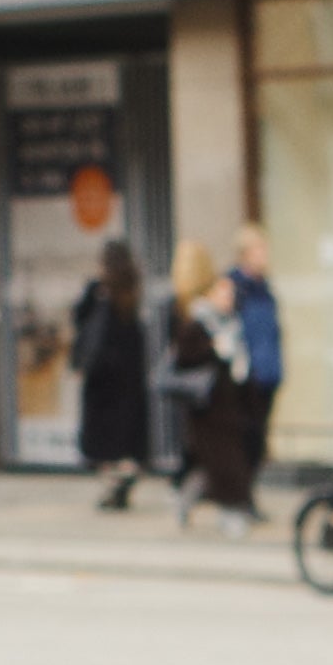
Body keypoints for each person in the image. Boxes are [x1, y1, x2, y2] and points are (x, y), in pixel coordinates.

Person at [162, 250, 258, 531]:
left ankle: (193, 500)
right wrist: (212, 350)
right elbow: (185, 358)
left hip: (229, 408)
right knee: (223, 465)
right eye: (224, 292)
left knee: (213, 467)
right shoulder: (197, 323)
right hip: (208, 409)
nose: (230, 298)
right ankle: (232, 515)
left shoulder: (230, 324)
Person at [72, 237, 150, 509]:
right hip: (128, 373)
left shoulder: (98, 290)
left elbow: (80, 319)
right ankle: (124, 477)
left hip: (103, 374)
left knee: (103, 440)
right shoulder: (132, 288)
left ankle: (114, 485)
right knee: (124, 434)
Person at [227, 224, 285, 508]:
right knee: (245, 441)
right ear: (245, 253)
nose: (264, 255)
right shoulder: (234, 288)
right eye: (259, 249)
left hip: (268, 374)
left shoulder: (265, 288)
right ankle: (240, 499)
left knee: (258, 442)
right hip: (246, 377)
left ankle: (246, 496)